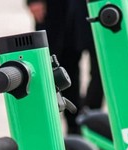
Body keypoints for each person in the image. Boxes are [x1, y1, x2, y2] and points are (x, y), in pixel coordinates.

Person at [26, 0, 103, 134]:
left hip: (97, 6)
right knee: (61, 68)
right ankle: (74, 126)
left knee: (102, 65)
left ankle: (92, 118)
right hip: (57, 8)